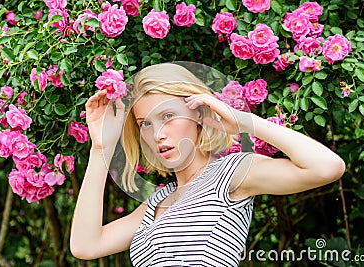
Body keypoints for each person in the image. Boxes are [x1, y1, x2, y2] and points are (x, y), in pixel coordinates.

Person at [70, 63, 345, 266]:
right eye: (145, 124)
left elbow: (327, 167)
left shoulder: (230, 174)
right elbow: (85, 245)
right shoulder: (158, 201)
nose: (157, 134)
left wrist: (243, 121)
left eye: (167, 116)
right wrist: (100, 148)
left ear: (199, 114)